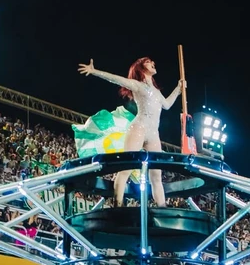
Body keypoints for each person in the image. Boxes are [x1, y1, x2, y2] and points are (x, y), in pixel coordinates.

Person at [77, 57, 183, 206]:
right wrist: (94, 71)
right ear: (140, 67)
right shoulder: (137, 85)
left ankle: (162, 207)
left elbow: (166, 105)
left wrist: (178, 89)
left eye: (153, 61)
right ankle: (118, 204)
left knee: (156, 175)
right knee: (127, 168)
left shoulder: (157, 92)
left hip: (153, 134)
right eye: (148, 61)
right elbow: (115, 79)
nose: (153, 63)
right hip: (138, 128)